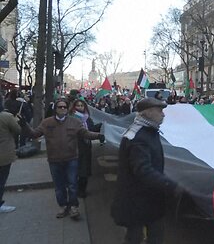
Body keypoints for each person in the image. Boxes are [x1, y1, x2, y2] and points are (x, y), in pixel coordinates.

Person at [21, 98, 105, 219]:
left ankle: (74, 207)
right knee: (59, 186)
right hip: (54, 160)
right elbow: (34, 134)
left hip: (71, 159)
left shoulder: (74, 122)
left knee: (72, 184)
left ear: (67, 109)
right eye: (59, 107)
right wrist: (24, 125)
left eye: (64, 107)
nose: (62, 109)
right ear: (55, 109)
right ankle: (63, 206)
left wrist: (98, 135)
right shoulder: (47, 123)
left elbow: (85, 133)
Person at [111, 97, 175, 244]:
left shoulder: (147, 131)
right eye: (160, 111)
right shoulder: (139, 137)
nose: (163, 115)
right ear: (148, 113)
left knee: (151, 235)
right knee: (138, 237)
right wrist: (169, 184)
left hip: (147, 198)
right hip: (137, 201)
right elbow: (143, 170)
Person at [69, 99, 101, 198]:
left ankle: (82, 190)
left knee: (84, 169)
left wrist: (101, 126)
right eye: (77, 105)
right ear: (74, 107)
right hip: (74, 146)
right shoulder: (71, 118)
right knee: (74, 169)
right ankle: (74, 190)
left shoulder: (87, 118)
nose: (79, 107)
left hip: (85, 146)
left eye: (81, 105)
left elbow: (91, 129)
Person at [0, 108, 22, 213]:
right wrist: (16, 120)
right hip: (4, 153)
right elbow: (17, 130)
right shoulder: (6, 116)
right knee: (1, 179)